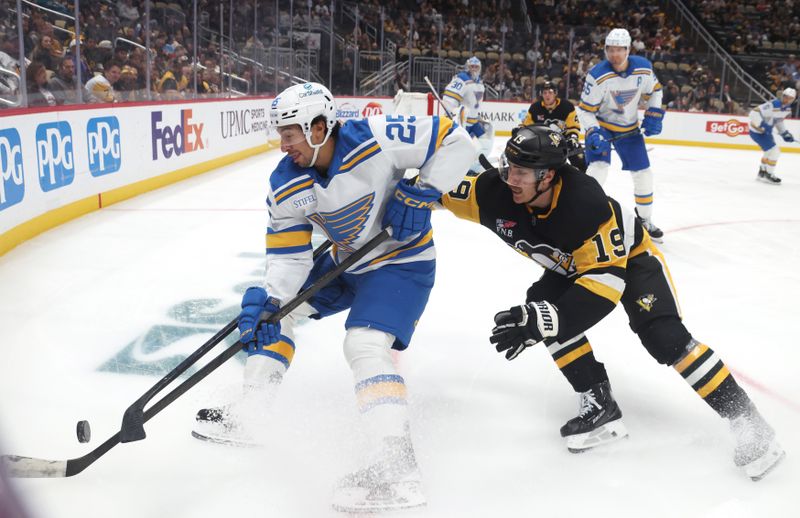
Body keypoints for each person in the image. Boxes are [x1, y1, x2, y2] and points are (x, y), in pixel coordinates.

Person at [441, 125, 785, 482]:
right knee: (543, 307)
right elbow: (431, 191)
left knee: (664, 337)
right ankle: (600, 405)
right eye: (509, 166)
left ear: (548, 177)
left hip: (628, 262)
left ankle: (748, 421)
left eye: (522, 173)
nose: (510, 178)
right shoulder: (491, 192)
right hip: (576, 264)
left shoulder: (584, 204)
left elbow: (604, 287)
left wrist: (547, 320)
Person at [193, 82, 475, 511]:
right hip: (348, 264)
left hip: (402, 261)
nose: (283, 144)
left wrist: (424, 191)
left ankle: (397, 465)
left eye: (290, 133)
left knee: (363, 344)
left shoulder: (375, 137)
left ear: (319, 126)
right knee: (278, 317)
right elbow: (289, 258)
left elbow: (457, 141)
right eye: (281, 134)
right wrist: (272, 300)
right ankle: (253, 414)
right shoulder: (285, 183)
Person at [577, 28, 666, 242]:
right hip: (603, 127)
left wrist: (654, 112)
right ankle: (582, 217)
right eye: (611, 49)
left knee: (643, 174)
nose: (614, 54)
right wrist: (592, 131)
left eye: (619, 49)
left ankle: (644, 219)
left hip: (630, 130)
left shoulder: (643, 68)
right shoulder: (597, 75)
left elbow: (656, 91)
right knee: (598, 169)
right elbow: (585, 110)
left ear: (628, 49)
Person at [522, 80, 586, 172]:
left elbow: (573, 127)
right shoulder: (535, 108)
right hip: (543, 144)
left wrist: (573, 138)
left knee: (580, 160)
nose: (547, 95)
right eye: (545, 93)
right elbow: (526, 125)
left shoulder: (567, 107)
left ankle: (582, 179)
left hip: (564, 142)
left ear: (555, 93)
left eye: (550, 92)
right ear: (541, 94)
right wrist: (519, 130)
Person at [442, 56, 493, 169]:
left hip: (474, 122)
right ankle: (457, 168)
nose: (474, 69)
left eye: (476, 67)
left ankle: (473, 167)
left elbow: (474, 102)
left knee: (485, 143)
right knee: (460, 148)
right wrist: (454, 115)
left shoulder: (479, 81)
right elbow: (449, 99)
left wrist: (477, 115)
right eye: (472, 66)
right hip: (462, 123)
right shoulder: (461, 79)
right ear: (467, 67)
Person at [748, 87, 797, 185]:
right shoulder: (773, 104)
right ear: (782, 96)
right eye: (785, 97)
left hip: (767, 132)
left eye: (790, 98)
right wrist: (762, 124)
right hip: (757, 132)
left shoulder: (787, 109)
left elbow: (778, 122)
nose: (787, 100)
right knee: (775, 152)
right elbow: (754, 113)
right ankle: (768, 174)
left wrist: (784, 133)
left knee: (769, 151)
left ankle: (762, 172)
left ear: (793, 100)